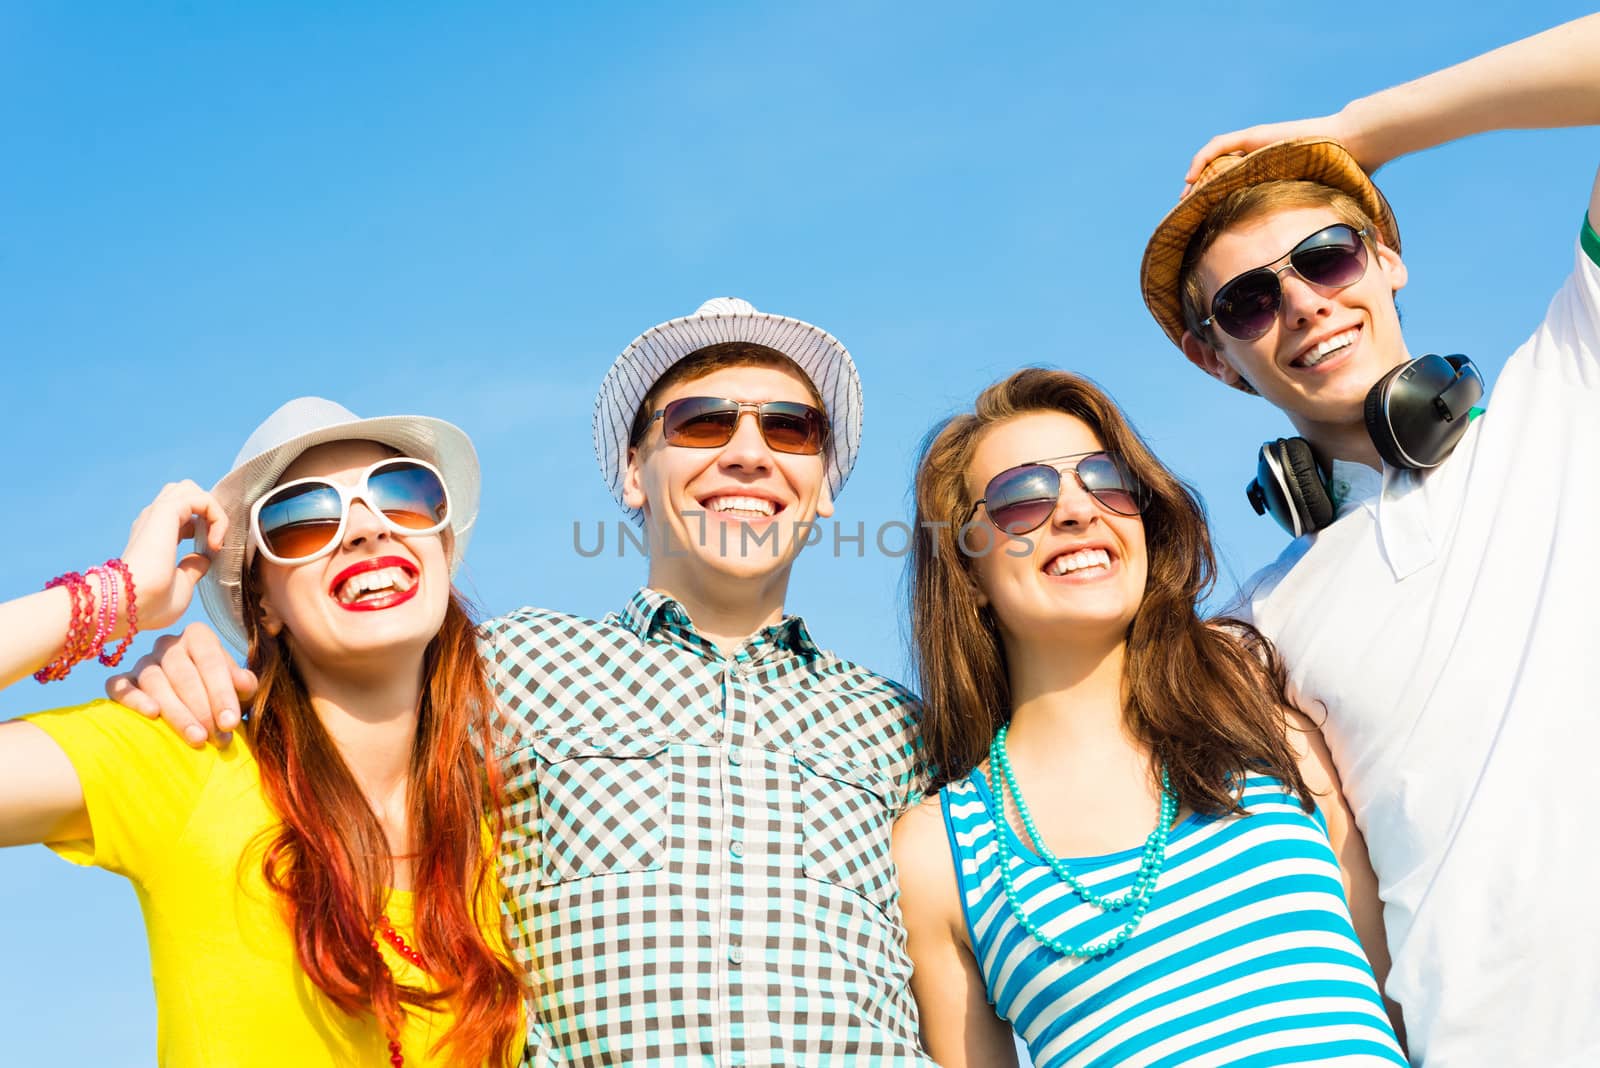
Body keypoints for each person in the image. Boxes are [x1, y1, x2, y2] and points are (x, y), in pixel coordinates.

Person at [105, 298, 932, 1066]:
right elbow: (335, 676)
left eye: (791, 431)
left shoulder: (905, 734)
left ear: (824, 487)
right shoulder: (504, 670)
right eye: (703, 423)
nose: (748, 452)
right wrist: (196, 660)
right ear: (631, 473)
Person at [1138, 15, 1600, 1065]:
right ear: (1217, 361)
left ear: (1385, 258)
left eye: (1327, 255)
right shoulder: (1252, 631)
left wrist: (1360, 130)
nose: (1301, 301)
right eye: (1250, 301)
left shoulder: (1571, 384)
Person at [894, 367, 1403, 1066]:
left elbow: (1398, 993)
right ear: (969, 569)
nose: (1078, 511)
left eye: (1106, 480)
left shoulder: (1255, 699)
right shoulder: (937, 854)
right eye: (1021, 498)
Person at [0, 398, 524, 1066]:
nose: (366, 529)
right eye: (302, 520)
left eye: (403, 496)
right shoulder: (186, 763)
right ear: (263, 604)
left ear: (442, 549)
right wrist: (117, 595)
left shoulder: (509, 838)